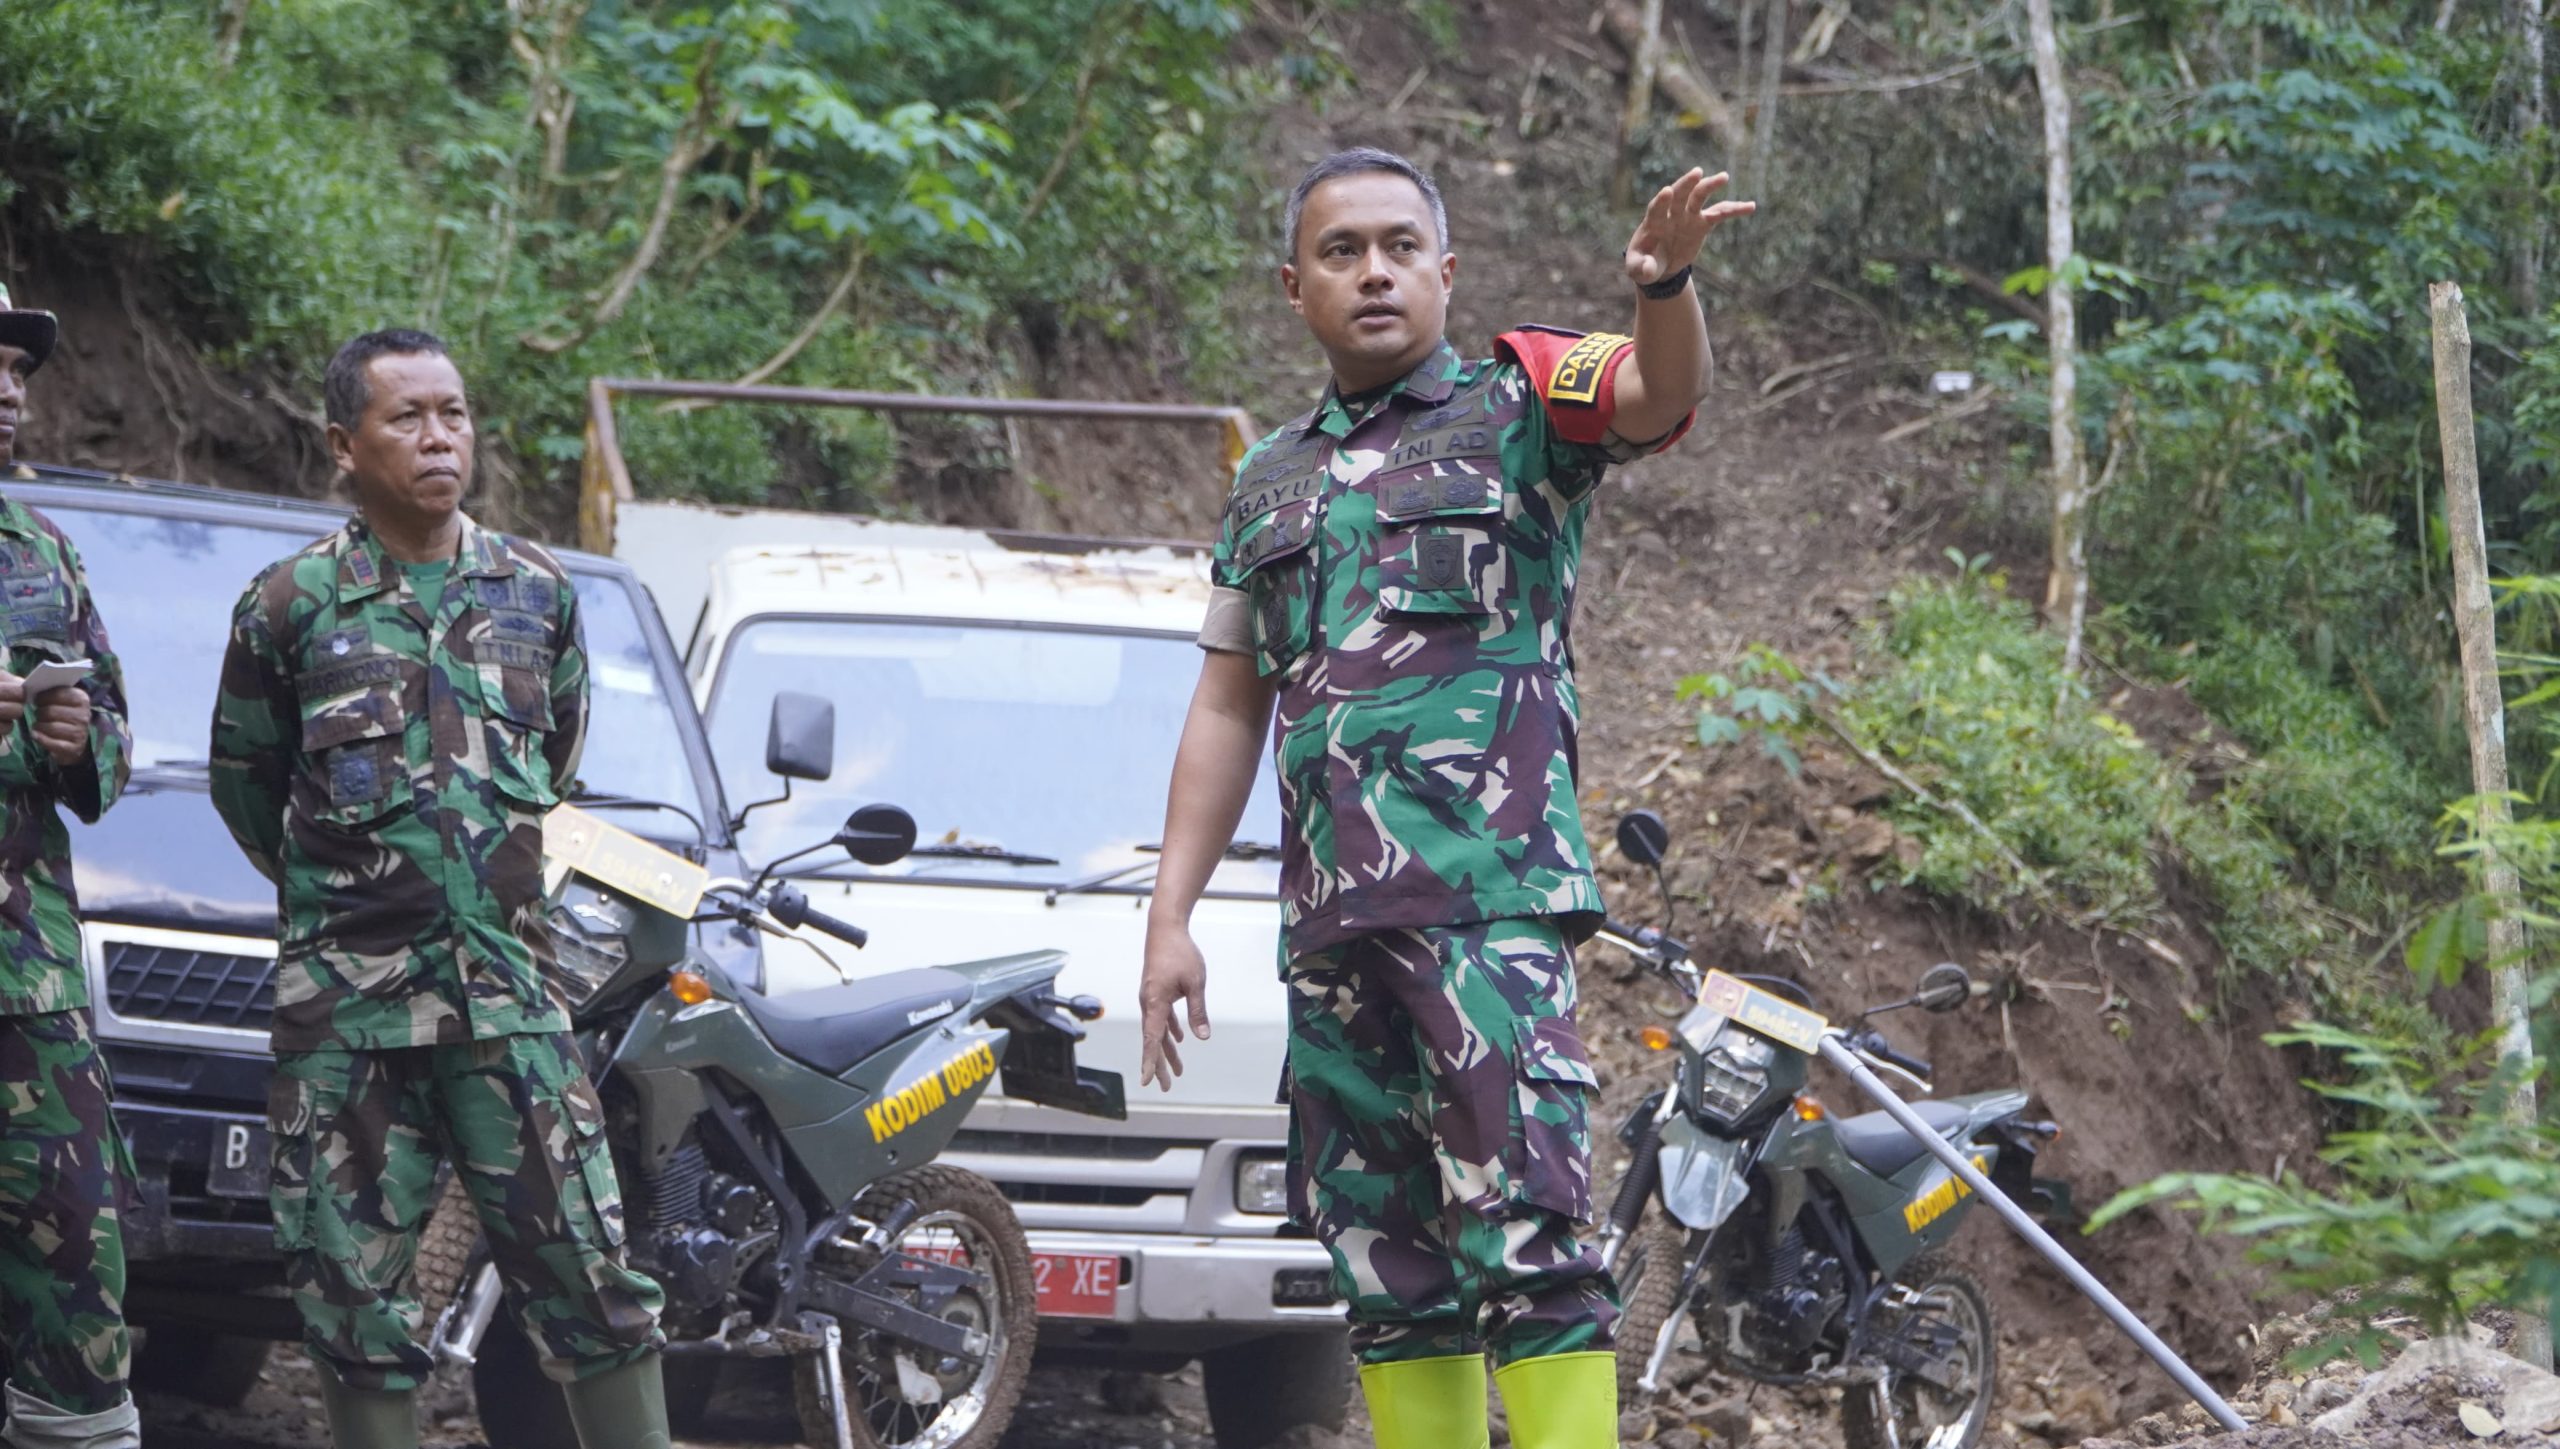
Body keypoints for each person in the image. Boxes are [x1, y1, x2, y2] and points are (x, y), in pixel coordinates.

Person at [1136, 149, 1748, 1449]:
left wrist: (1664, 288)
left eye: (1400, 247)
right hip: (1332, 933)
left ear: (1446, 271)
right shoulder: (1269, 481)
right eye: (1342, 250)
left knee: (1532, 1240)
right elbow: (1229, 704)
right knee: (1386, 1267)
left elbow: (1660, 393)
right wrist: (1169, 914)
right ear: (1294, 286)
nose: (1374, 272)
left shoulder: (1519, 410)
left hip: (1487, 909)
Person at [208, 329, 668, 1449]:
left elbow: (554, 769)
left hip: (513, 1002)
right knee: (351, 1292)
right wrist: (362, 903)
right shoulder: (290, 603)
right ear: (344, 446)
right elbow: (249, 788)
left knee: (593, 1276)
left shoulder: (536, 592)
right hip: (351, 1016)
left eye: (452, 413)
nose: (438, 437)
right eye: (406, 416)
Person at [0, 283, 141, 1449]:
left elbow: (111, 752)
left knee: (78, 1267)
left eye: (16, 370)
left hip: (26, 986)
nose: (10, 391)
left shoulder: (41, 551)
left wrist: (76, 737)